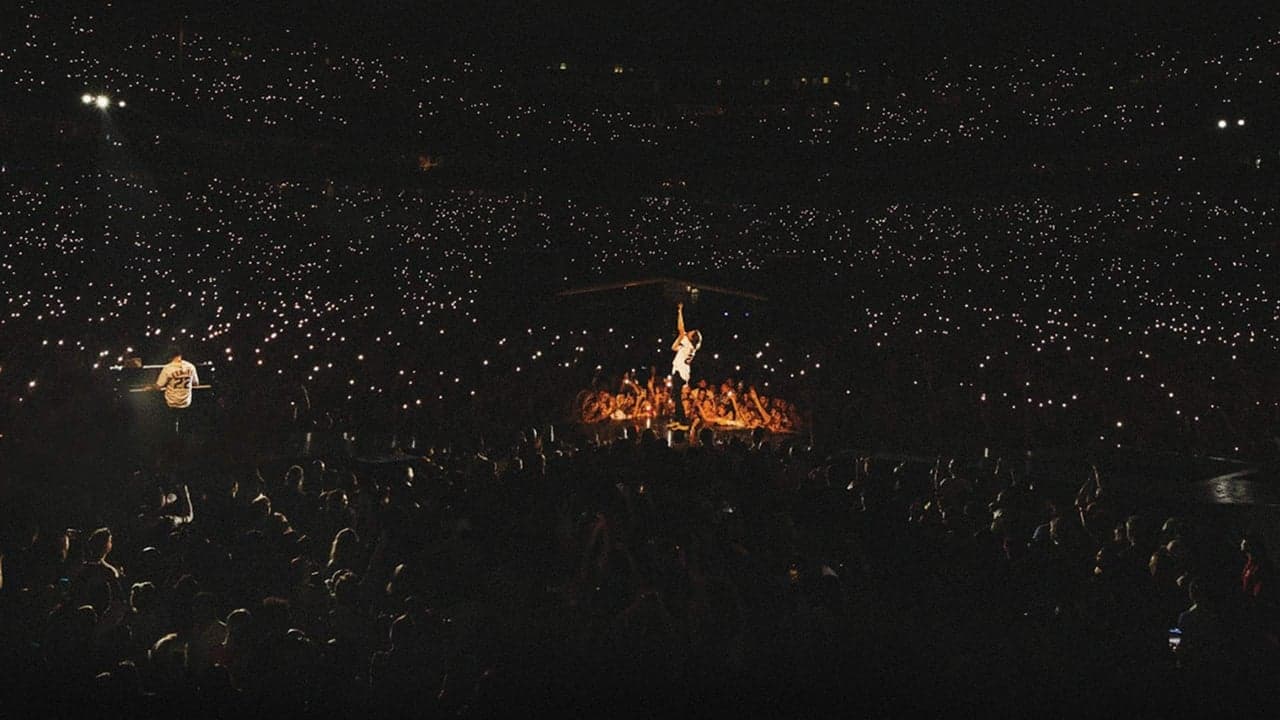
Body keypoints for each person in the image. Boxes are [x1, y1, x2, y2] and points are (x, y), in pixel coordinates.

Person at [668, 302, 702, 430]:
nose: (689, 332)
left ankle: (683, 422)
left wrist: (680, 311)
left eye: (691, 332)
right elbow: (675, 348)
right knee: (675, 396)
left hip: (680, 373)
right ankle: (678, 420)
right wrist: (680, 338)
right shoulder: (691, 346)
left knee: (677, 397)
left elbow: (681, 328)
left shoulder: (688, 344)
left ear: (692, 337)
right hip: (682, 372)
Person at [154, 346, 199, 435]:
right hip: (186, 403)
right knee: (184, 426)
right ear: (180, 355)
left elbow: (158, 386)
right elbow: (196, 383)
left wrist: (150, 386)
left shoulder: (167, 368)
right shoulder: (191, 366)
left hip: (172, 403)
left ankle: (170, 436)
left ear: (169, 357)